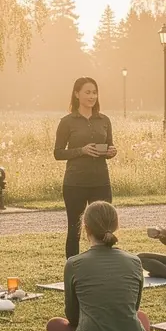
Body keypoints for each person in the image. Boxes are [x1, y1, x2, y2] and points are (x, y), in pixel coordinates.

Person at [46, 201, 151, 331]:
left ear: (86, 228)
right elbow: (133, 308)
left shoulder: (74, 263)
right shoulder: (134, 261)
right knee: (141, 316)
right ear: (116, 226)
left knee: (54, 324)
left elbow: (72, 316)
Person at [54, 77, 117, 258]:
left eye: (94, 92)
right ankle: (72, 268)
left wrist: (111, 151)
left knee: (105, 227)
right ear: (76, 94)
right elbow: (58, 153)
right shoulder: (67, 121)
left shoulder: (104, 120)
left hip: (101, 181)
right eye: (87, 92)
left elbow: (109, 145)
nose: (92, 96)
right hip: (75, 183)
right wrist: (82, 150)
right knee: (74, 228)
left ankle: (104, 266)